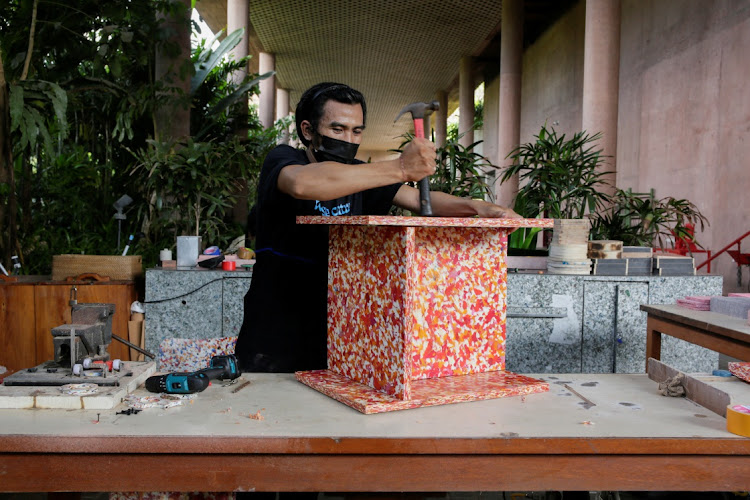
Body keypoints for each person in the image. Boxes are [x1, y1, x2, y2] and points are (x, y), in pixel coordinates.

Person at [234, 82, 520, 373]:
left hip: (335, 329)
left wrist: (480, 207)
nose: (349, 138)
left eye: (356, 131)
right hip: (274, 334)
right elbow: (303, 183)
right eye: (338, 129)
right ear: (308, 130)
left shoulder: (361, 175)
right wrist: (400, 167)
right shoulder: (282, 160)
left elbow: (420, 200)